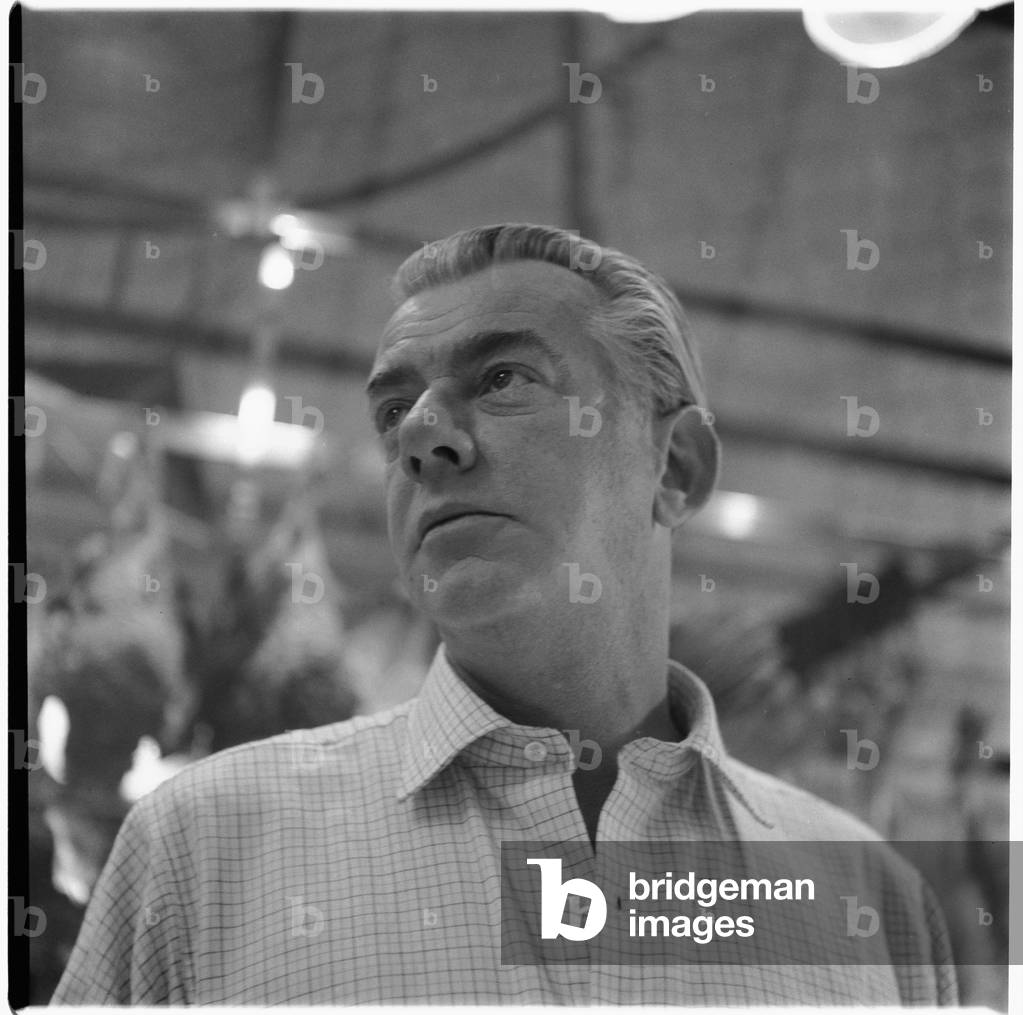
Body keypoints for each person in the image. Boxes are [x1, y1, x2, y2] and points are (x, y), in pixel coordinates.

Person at [51, 224, 957, 1006]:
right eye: (393, 408)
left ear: (674, 467)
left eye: (504, 379)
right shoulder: (202, 848)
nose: (419, 435)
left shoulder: (871, 901)